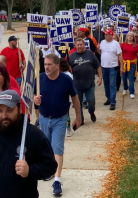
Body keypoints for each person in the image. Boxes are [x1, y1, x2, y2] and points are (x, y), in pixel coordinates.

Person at [34, 54, 82, 197]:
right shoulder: (40, 79)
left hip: (60, 119)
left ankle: (57, 180)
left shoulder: (66, 80)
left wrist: (78, 117)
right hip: (44, 118)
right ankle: (49, 171)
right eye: (45, 65)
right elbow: (33, 97)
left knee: (57, 149)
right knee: (47, 148)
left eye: (49, 64)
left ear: (57, 66)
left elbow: (75, 98)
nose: (46, 67)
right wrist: (35, 100)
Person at [69, 38, 102, 122]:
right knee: (78, 104)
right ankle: (81, 118)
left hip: (89, 83)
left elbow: (98, 66)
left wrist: (100, 77)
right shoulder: (71, 56)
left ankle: (91, 112)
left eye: (81, 44)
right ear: (75, 46)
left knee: (91, 101)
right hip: (77, 84)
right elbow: (68, 69)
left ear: (84, 45)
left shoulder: (90, 53)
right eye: (78, 45)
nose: (79, 46)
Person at [97, 30, 122, 110]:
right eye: (105, 34)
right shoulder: (102, 42)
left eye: (107, 34)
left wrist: (121, 66)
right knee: (106, 84)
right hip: (104, 66)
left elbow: (120, 55)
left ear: (111, 35)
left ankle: (113, 101)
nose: (105, 36)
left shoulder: (116, 44)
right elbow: (100, 53)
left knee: (112, 84)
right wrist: (98, 48)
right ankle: (108, 98)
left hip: (112, 66)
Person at [121, 32, 138, 98]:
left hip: (132, 64)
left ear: (133, 37)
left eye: (131, 36)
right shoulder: (122, 44)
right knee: (124, 78)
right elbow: (120, 54)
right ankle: (125, 88)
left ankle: (132, 92)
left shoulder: (135, 45)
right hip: (124, 64)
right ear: (126, 37)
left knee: (131, 78)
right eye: (128, 36)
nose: (129, 37)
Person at [59, 58, 73, 137]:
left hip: (67, 98)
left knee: (66, 113)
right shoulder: (56, 74)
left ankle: (68, 128)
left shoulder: (68, 75)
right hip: (58, 97)